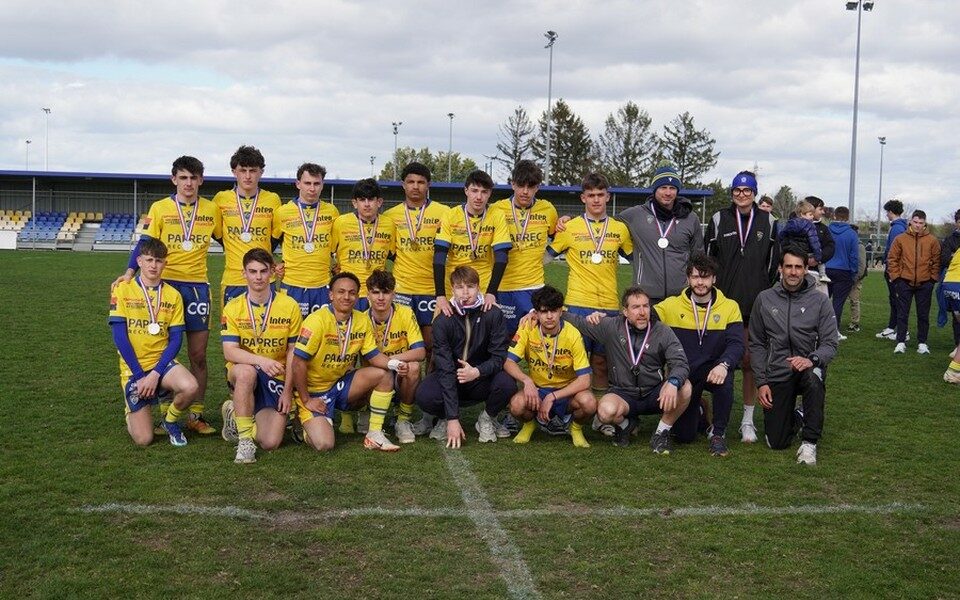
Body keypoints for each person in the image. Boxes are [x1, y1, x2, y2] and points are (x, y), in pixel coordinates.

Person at [113, 155, 221, 436]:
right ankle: (163, 411)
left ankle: (195, 414)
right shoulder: (160, 208)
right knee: (160, 347)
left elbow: (229, 238)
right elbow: (145, 243)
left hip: (197, 286)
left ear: (201, 180)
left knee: (198, 354)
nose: (188, 183)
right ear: (174, 179)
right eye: (183, 177)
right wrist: (128, 272)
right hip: (165, 285)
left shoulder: (212, 209)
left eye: (193, 178)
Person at [564, 286, 691, 454]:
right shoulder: (611, 327)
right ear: (625, 311)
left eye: (645, 306)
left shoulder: (662, 331)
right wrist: (545, 312)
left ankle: (661, 432)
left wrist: (673, 382)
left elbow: (681, 363)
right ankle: (626, 426)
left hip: (654, 393)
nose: (642, 312)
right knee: (605, 412)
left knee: (685, 387)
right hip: (623, 394)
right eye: (636, 307)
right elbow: (577, 321)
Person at [291, 272, 404, 452]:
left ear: (358, 295)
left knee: (383, 374)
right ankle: (300, 422)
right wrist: (307, 399)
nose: (346, 297)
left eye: (352, 293)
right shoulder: (316, 321)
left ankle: (374, 433)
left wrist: (395, 365)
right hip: (314, 391)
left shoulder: (361, 320)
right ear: (331, 295)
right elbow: (297, 362)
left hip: (339, 385)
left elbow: (373, 355)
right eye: (341, 292)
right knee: (324, 444)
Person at [705, 170, 778, 444]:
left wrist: (761, 290)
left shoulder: (768, 221)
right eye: (737, 190)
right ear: (732, 192)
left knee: (748, 362)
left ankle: (747, 420)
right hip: (722, 305)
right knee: (717, 362)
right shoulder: (718, 218)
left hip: (753, 306)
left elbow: (773, 264)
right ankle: (717, 421)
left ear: (755, 193)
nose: (742, 194)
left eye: (747, 190)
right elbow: (708, 261)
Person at [749, 247, 838, 465]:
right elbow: (757, 343)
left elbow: (830, 343)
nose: (793, 272)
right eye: (788, 266)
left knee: (814, 378)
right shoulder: (764, 299)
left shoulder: (820, 301)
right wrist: (761, 382)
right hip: (778, 370)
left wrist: (812, 359)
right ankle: (798, 416)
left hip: (808, 366)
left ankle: (809, 443)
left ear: (807, 269)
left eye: (798, 267)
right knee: (776, 442)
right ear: (780, 268)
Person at [547, 172, 633, 393]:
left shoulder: (620, 229)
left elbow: (638, 260)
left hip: (609, 306)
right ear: (582, 198)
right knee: (571, 363)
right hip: (576, 305)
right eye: (591, 195)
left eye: (600, 194)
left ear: (608, 197)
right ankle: (571, 410)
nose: (596, 199)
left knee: (602, 364)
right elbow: (544, 259)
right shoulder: (570, 228)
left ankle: (599, 415)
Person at [109, 238, 198, 446]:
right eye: (149, 260)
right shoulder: (122, 289)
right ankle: (132, 407)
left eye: (158, 261)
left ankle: (169, 420)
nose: (153, 265)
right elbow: (119, 337)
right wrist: (140, 376)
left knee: (190, 386)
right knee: (144, 439)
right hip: (134, 370)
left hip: (162, 365)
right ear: (139, 261)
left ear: (165, 263)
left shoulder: (173, 295)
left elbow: (176, 339)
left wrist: (155, 374)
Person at [414, 266, 515, 448]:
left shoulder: (493, 314)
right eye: (460, 287)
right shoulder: (443, 320)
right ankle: (444, 418)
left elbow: (499, 357)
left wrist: (477, 371)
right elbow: (444, 368)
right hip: (453, 376)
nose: (465, 292)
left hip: (480, 379)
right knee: (424, 394)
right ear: (452, 289)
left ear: (478, 287)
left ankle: (487, 418)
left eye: (470, 286)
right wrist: (453, 418)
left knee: (507, 383)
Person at [654, 254, 745, 456]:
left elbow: (737, 344)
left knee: (725, 381)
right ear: (688, 279)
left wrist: (724, 364)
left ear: (714, 279)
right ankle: (701, 411)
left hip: (715, 369)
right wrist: (603, 318)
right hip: (686, 372)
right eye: (695, 277)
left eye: (705, 277)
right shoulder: (670, 305)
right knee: (685, 436)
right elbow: (641, 316)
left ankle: (718, 434)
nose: (700, 282)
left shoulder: (730, 306)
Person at [219, 249, 302, 464]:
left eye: (263, 271)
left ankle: (235, 416)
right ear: (243, 273)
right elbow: (230, 351)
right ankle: (245, 441)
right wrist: (262, 361)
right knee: (246, 372)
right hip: (245, 372)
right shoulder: (233, 307)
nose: (258, 277)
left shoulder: (289, 305)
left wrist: (287, 391)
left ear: (272, 273)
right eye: (252, 271)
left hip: (277, 377)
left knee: (271, 442)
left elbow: (293, 352)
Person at [504, 285, 595, 448]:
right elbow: (508, 362)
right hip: (538, 391)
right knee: (516, 405)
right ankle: (529, 424)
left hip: (567, 392)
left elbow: (585, 380)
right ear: (536, 313)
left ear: (561, 311)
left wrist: (553, 397)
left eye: (553, 311)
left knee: (589, 403)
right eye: (544, 311)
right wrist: (527, 381)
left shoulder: (573, 334)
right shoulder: (527, 327)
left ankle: (575, 428)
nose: (549, 316)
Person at [383, 162, 449, 359]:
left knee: (432, 346)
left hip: (432, 290)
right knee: (402, 346)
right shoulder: (390, 216)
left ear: (428, 185)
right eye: (410, 181)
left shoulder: (444, 212)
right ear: (403, 184)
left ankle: (430, 388)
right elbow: (389, 251)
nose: (415, 186)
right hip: (402, 288)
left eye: (421, 182)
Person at [488, 159, 558, 335]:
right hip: (503, 287)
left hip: (533, 287)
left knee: (535, 340)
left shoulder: (548, 209)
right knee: (502, 340)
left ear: (537, 187)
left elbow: (560, 237)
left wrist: (547, 257)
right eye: (521, 185)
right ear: (512, 184)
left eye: (531, 186)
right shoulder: (497, 209)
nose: (525, 192)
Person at [617, 161, 703, 305]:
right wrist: (568, 219)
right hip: (645, 297)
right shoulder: (635, 215)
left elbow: (698, 257)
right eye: (663, 187)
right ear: (655, 189)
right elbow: (607, 226)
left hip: (681, 296)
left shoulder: (690, 218)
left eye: (672, 188)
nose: (668, 193)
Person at [434, 169, 511, 316]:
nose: (479, 197)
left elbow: (501, 257)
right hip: (454, 285)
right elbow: (439, 257)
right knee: (443, 330)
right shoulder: (450, 215)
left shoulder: (496, 215)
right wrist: (440, 295)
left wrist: (491, 292)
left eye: (484, 192)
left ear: (490, 194)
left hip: (483, 286)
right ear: (466, 191)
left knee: (484, 333)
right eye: (474, 191)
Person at [212, 145, 282, 307]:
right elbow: (217, 234)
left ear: (261, 172)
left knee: (267, 329)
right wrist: (232, 245)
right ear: (234, 172)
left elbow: (276, 236)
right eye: (243, 170)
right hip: (233, 278)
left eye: (253, 170)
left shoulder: (273, 200)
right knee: (231, 329)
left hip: (264, 278)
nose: (248, 176)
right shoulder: (221, 199)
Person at [364, 269, 425, 443]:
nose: (381, 297)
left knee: (413, 367)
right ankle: (364, 413)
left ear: (394, 294)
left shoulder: (405, 313)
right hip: (375, 375)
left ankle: (403, 421)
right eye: (376, 292)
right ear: (368, 294)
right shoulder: (361, 319)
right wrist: (392, 363)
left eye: (386, 292)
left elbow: (420, 352)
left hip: (400, 372)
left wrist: (394, 362)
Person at [273, 163, 340, 318]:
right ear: (298, 184)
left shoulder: (332, 212)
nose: (312, 188)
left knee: (322, 336)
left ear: (322, 185)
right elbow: (269, 244)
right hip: (292, 286)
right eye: (307, 183)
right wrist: (274, 264)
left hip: (323, 286)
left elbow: (338, 245)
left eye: (316, 184)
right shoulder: (282, 213)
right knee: (291, 336)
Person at [331, 178, 396, 311]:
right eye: (362, 199)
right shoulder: (341, 223)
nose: (367, 204)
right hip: (349, 292)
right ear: (355, 203)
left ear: (379, 202)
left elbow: (394, 255)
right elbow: (328, 252)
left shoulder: (389, 225)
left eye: (371, 199)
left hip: (376, 292)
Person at [887, 210, 941, 354]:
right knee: (902, 314)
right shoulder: (900, 239)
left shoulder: (932, 240)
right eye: (915, 222)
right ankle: (900, 342)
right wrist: (896, 278)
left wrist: (932, 279)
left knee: (923, 315)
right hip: (904, 282)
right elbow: (892, 259)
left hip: (925, 284)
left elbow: (937, 261)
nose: (918, 225)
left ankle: (922, 343)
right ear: (910, 221)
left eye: (921, 223)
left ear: (925, 223)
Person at [825, 206, 860, 339]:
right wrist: (854, 272)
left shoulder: (828, 230)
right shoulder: (851, 233)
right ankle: (834, 331)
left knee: (823, 301)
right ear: (847, 217)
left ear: (834, 216)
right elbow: (854, 256)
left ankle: (820, 329)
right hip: (844, 271)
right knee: (838, 303)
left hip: (827, 269)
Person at [876, 199, 909, 340]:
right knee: (894, 300)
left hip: (895, 271)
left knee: (897, 300)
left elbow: (895, 252)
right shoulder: (899, 226)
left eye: (887, 212)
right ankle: (892, 327)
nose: (886, 215)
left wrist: (891, 269)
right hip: (895, 269)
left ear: (890, 212)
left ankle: (903, 331)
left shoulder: (897, 228)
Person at [779, 200, 828, 282]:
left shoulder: (790, 223)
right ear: (802, 214)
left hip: (791, 251)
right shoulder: (809, 226)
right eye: (810, 214)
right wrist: (818, 256)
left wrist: (785, 246)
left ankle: (782, 275)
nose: (812, 217)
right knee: (820, 261)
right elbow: (814, 241)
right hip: (805, 252)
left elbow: (782, 235)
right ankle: (823, 274)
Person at [938, 209, 960, 357]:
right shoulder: (950, 239)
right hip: (955, 281)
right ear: (956, 222)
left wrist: (955, 255)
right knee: (957, 316)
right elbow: (945, 259)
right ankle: (957, 345)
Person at [807, 196, 836, 290]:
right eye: (820, 209)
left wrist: (818, 259)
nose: (823, 212)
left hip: (817, 273)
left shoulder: (823, 228)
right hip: (797, 271)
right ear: (810, 209)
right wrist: (803, 259)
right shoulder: (794, 226)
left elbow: (830, 246)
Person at [845, 225, 868, 333]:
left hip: (855, 278)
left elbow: (862, 266)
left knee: (854, 301)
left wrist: (855, 278)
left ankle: (855, 323)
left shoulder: (859, 246)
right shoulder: (849, 244)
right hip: (844, 276)